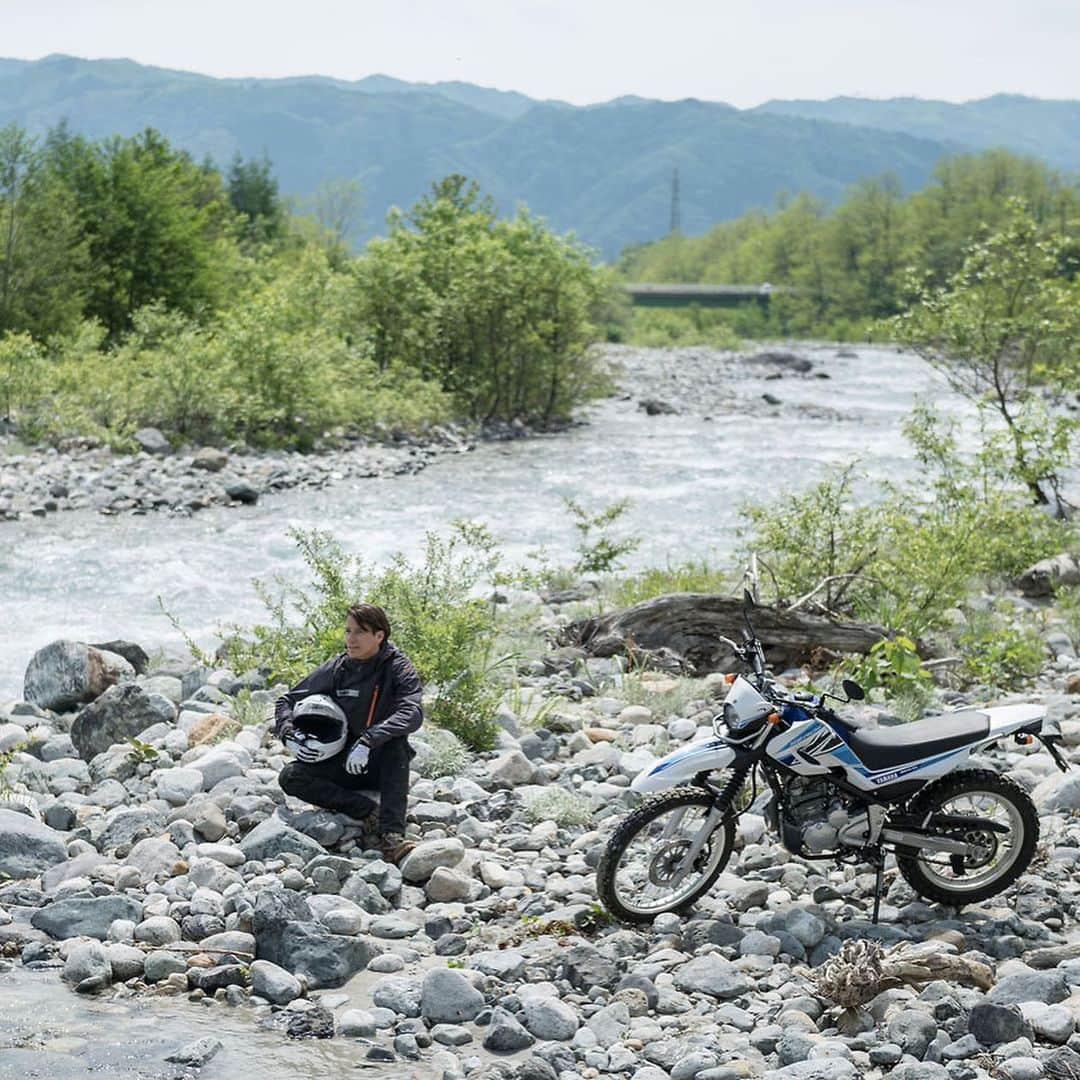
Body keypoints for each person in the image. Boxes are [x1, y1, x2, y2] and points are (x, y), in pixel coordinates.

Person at [274, 602, 421, 865]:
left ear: (379, 636)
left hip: (379, 762)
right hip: (343, 762)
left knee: (396, 745)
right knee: (291, 776)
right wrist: (288, 734)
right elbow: (286, 701)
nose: (350, 639)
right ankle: (367, 812)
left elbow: (412, 712)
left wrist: (369, 739)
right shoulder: (338, 667)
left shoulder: (398, 667)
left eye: (359, 632)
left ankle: (391, 836)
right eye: (347, 631)